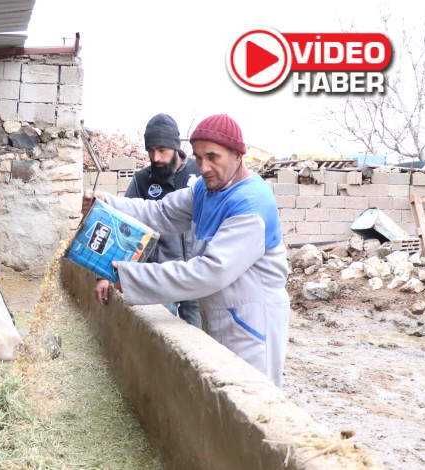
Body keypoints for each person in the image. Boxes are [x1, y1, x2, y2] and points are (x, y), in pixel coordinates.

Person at [83, 114, 290, 387]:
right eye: (199, 157)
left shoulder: (252, 205)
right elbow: (159, 212)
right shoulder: (205, 190)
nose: (204, 167)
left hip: (252, 321)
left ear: (239, 155)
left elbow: (209, 273)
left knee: (250, 394)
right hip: (218, 311)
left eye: (213, 157)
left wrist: (132, 277)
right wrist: (107, 203)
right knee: (219, 391)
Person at [94, 113, 202, 328]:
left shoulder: (198, 175)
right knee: (163, 335)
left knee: (201, 337)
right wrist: (103, 275)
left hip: (195, 273)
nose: (156, 158)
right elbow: (122, 226)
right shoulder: (142, 180)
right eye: (151, 151)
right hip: (160, 275)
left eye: (162, 150)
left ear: (176, 148)